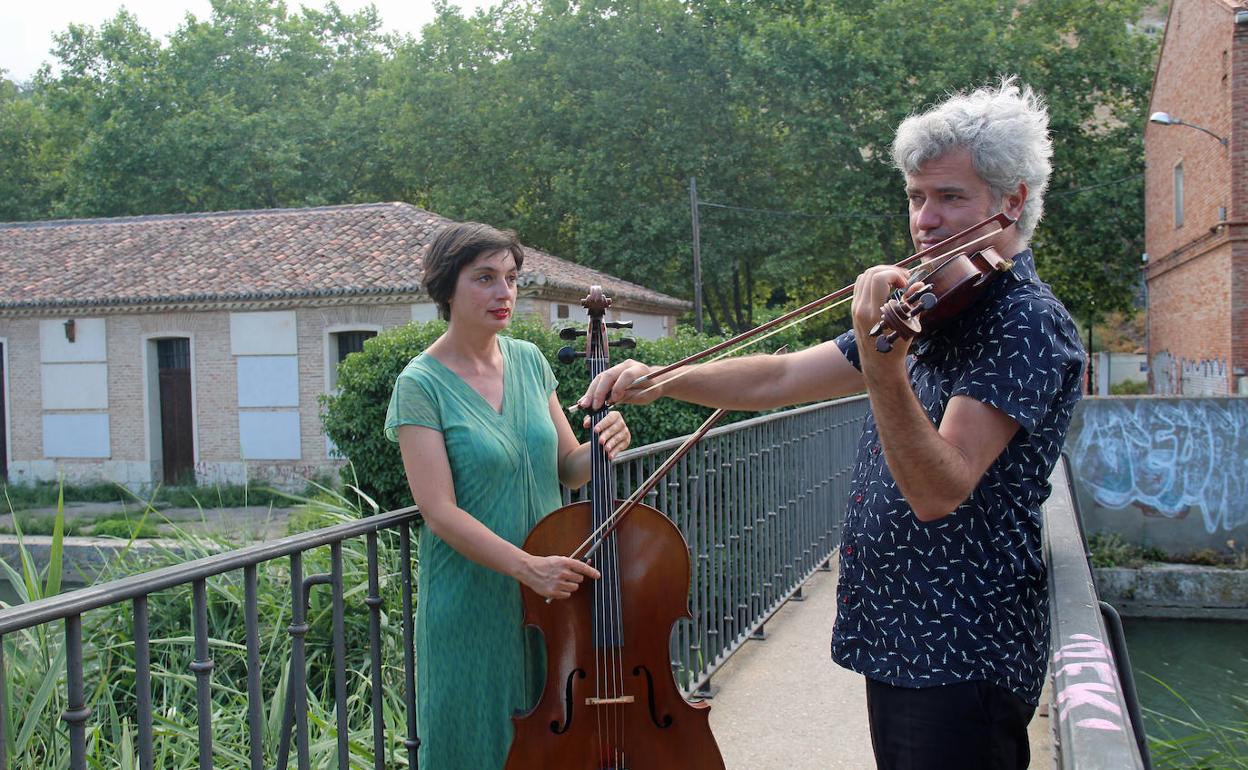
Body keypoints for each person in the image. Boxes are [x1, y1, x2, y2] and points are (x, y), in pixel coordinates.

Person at [578, 78, 1084, 770]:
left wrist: (882, 364)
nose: (925, 220)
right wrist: (663, 380)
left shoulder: (1022, 321)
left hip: (960, 647)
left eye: (950, 197)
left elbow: (939, 488)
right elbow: (783, 376)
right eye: (916, 196)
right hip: (903, 638)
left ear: (1013, 201)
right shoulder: (935, 302)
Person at [384, 221, 632, 769]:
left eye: (512, 278)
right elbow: (439, 512)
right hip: (472, 600)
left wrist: (605, 442)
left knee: (549, 745)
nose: (504, 292)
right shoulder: (420, 385)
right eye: (485, 278)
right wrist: (527, 567)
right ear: (447, 287)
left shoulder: (530, 361)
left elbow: (569, 468)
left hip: (549, 596)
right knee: (477, 746)